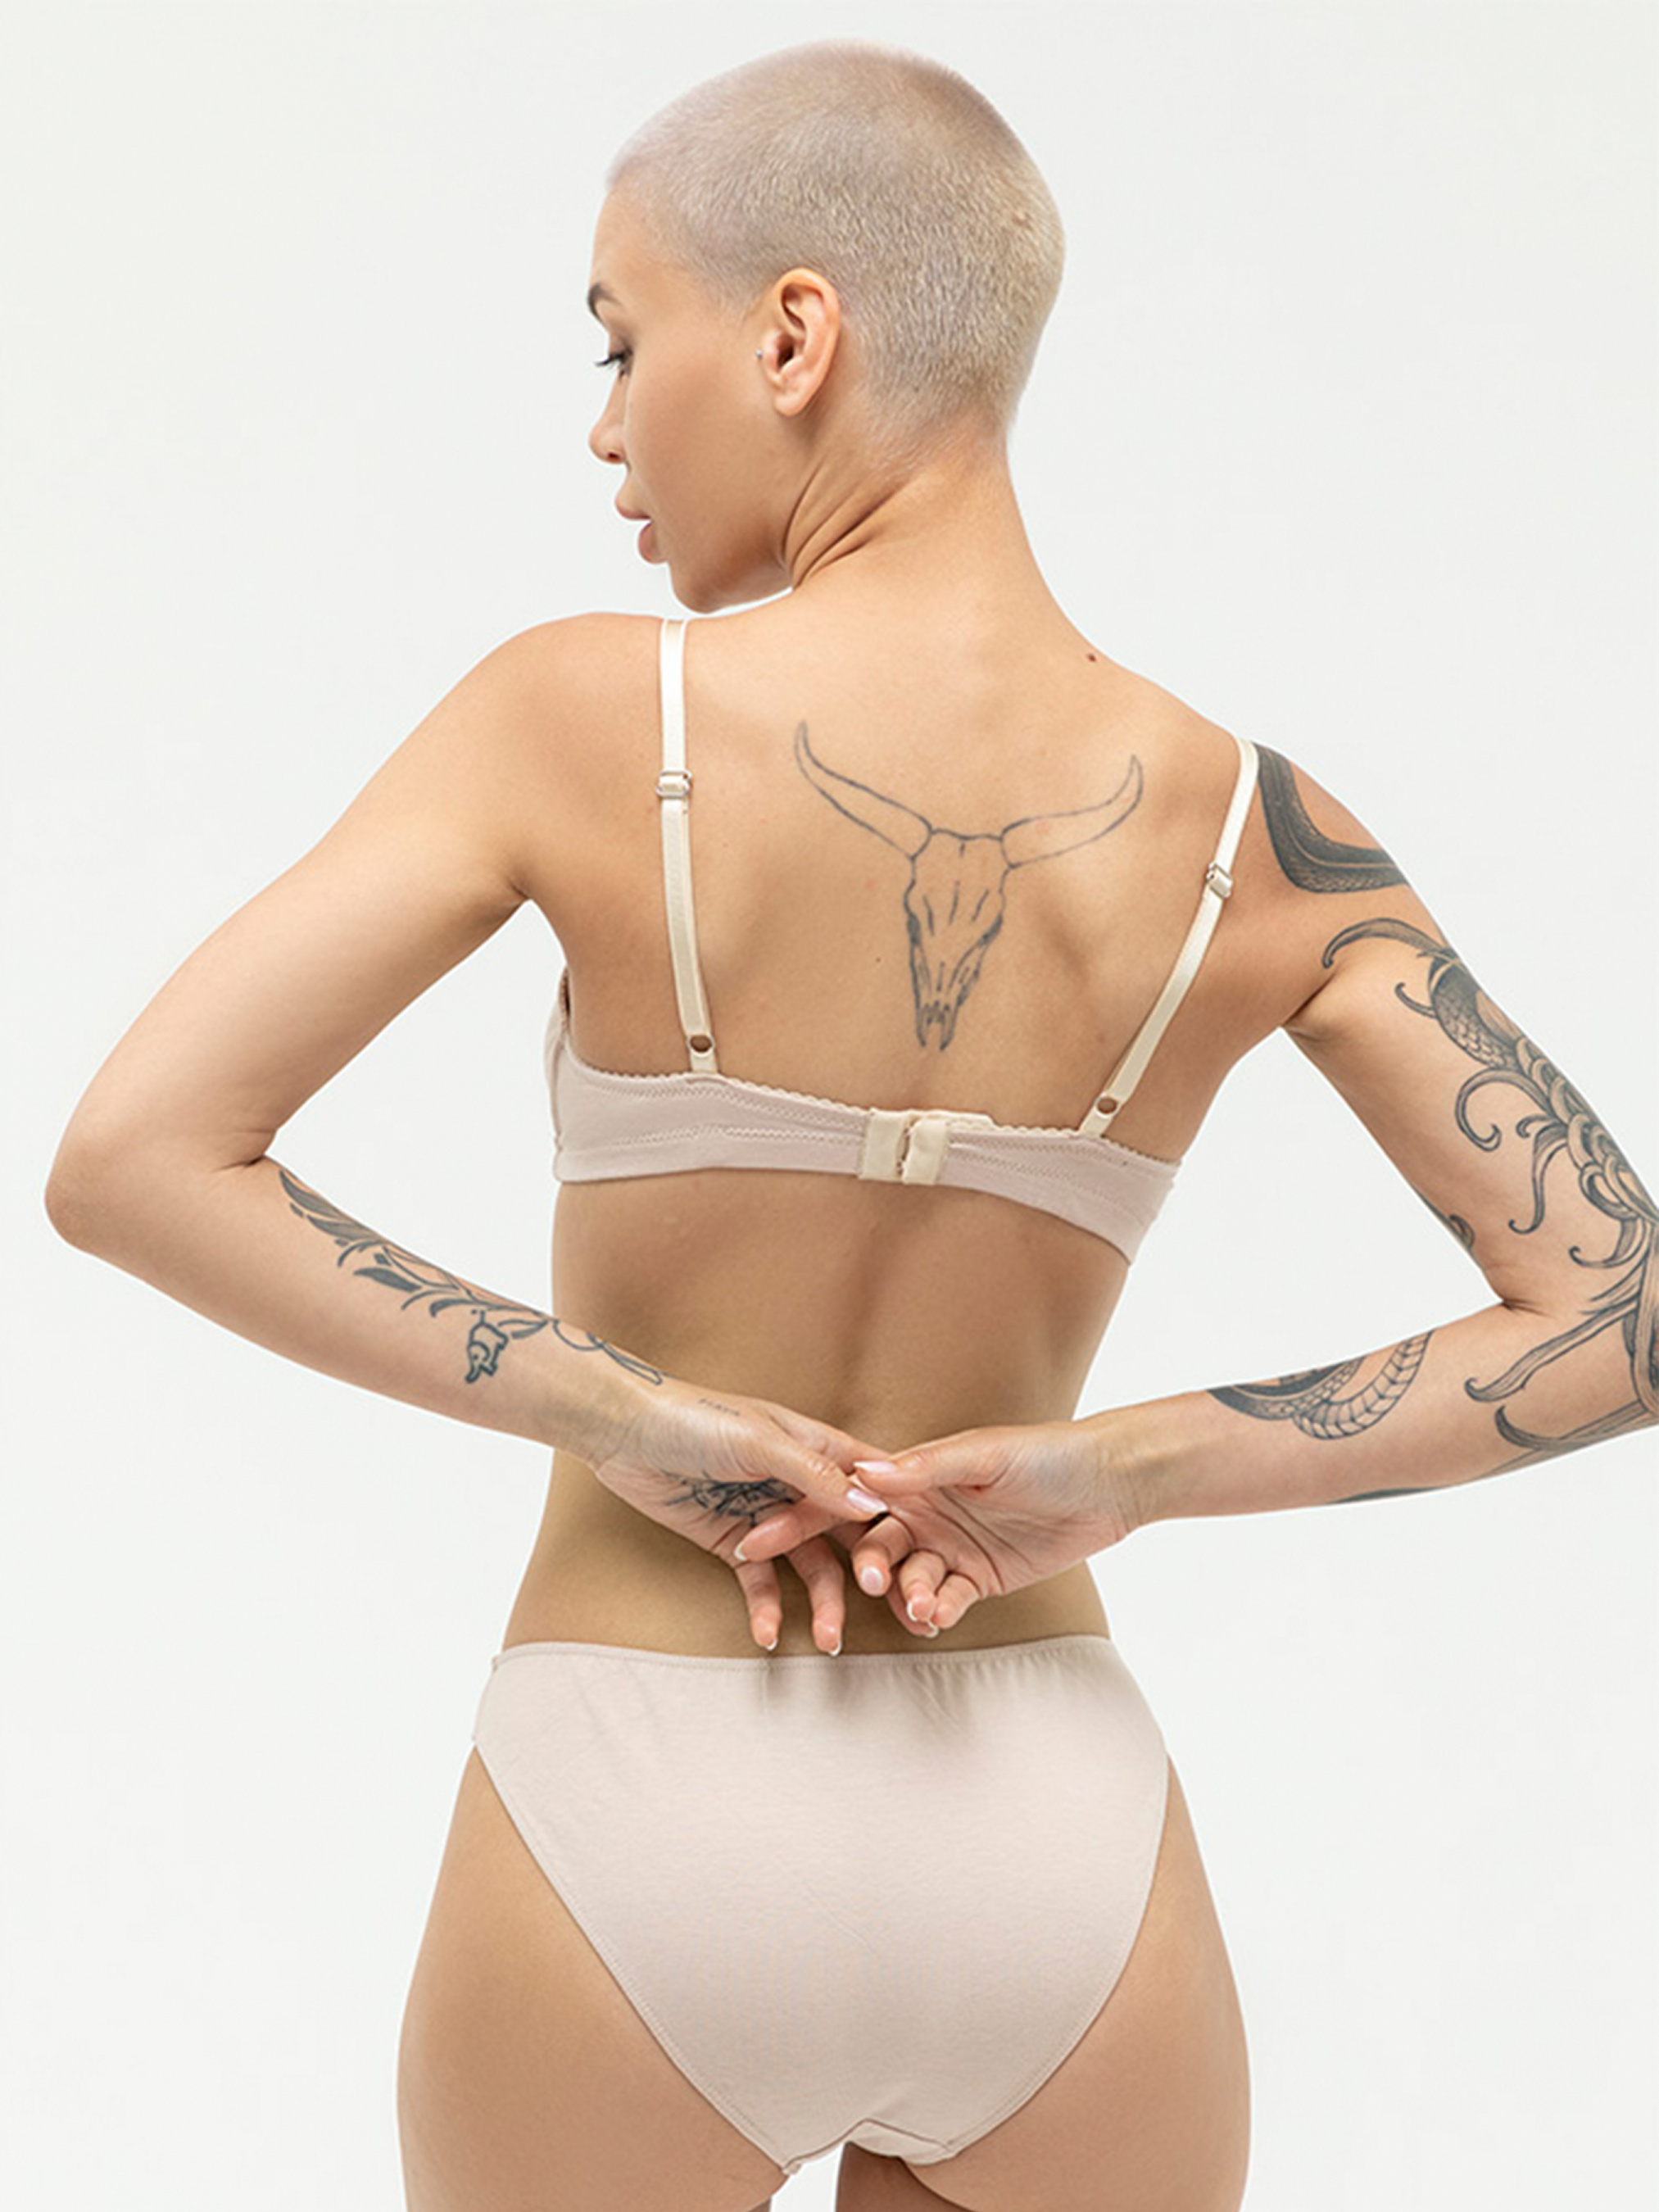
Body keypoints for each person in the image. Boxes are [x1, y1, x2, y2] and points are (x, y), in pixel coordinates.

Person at [42, 34, 1652, 2212]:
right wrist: (1124, 1469)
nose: (605, 425)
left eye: (623, 344)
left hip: (638, 1793)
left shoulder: (582, 716)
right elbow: (1626, 1312)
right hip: (1054, 1842)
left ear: (793, 335)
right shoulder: (1256, 834)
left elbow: (134, 1155)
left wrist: (615, 1408)